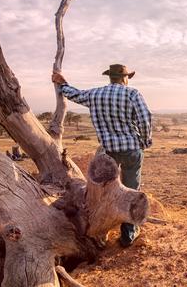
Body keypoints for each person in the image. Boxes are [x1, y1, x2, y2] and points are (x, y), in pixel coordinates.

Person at [51, 64, 152, 247]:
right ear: (124, 78)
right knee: (131, 187)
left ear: (110, 77)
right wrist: (145, 141)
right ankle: (128, 234)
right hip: (131, 149)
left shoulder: (96, 94)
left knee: (107, 190)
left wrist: (62, 83)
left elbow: (74, 94)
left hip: (109, 152)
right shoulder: (132, 94)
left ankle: (100, 226)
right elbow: (145, 118)